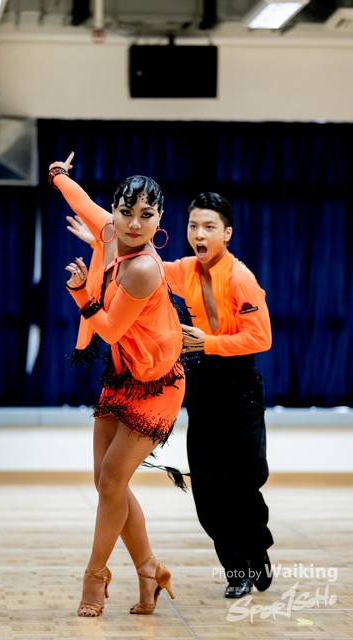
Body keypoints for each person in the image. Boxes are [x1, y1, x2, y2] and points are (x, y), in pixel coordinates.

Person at [67, 190, 274, 599]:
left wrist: (209, 342)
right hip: (201, 382)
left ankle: (257, 550)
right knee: (207, 486)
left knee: (244, 481)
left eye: (209, 227)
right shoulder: (181, 269)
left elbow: (261, 337)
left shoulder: (241, 278)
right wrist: (100, 243)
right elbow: (135, 262)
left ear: (227, 234)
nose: (199, 234)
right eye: (193, 226)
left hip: (240, 385)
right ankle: (236, 570)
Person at [48, 153, 185, 617]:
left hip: (158, 386)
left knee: (111, 480)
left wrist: (80, 292)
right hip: (125, 375)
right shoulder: (110, 231)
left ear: (160, 219)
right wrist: (58, 175)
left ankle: (95, 576)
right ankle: (150, 570)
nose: (134, 223)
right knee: (108, 482)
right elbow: (81, 201)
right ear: (116, 211)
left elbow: (107, 330)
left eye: (147, 214)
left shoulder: (144, 268)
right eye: (126, 212)